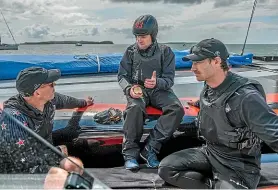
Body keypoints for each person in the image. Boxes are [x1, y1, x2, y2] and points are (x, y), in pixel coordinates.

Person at [158, 38, 278, 189]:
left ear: (216, 61)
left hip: (239, 165)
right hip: (212, 152)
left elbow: (275, 133)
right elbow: (215, 102)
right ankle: (212, 185)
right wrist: (197, 103)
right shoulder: (209, 85)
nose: (192, 68)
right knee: (167, 168)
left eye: (198, 62)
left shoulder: (246, 97)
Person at [117, 14, 185, 170]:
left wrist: (157, 82)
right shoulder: (130, 52)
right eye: (137, 36)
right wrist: (129, 88)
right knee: (134, 108)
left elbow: (169, 79)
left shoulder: (166, 52)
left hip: (158, 89)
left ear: (153, 36)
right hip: (137, 89)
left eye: (143, 36)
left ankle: (150, 149)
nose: (139, 40)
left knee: (176, 109)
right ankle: (130, 154)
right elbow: (121, 76)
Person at [0, 67, 93, 173]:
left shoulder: (50, 100)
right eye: (51, 84)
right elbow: (22, 160)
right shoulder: (13, 120)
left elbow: (67, 101)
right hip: (19, 169)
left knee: (77, 136)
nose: (54, 86)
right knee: (72, 168)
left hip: (43, 146)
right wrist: (58, 154)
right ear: (37, 93)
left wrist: (84, 102)